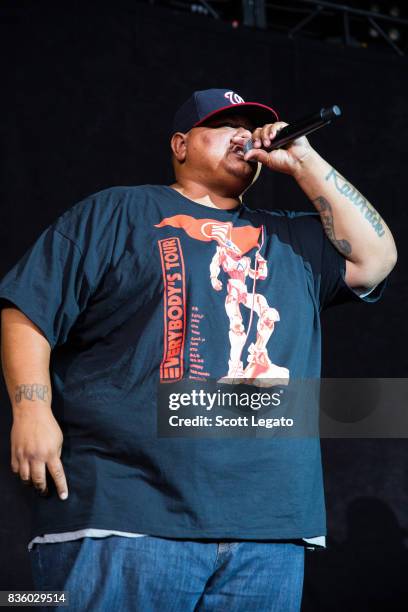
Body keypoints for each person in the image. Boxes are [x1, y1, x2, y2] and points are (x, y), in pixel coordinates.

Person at [0, 88, 397, 611]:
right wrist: (31, 405)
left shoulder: (291, 239)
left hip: (268, 528)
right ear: (181, 144)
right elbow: (28, 308)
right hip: (125, 513)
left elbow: (376, 259)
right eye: (223, 124)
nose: (242, 135)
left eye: (249, 127)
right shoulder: (119, 210)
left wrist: (303, 160)